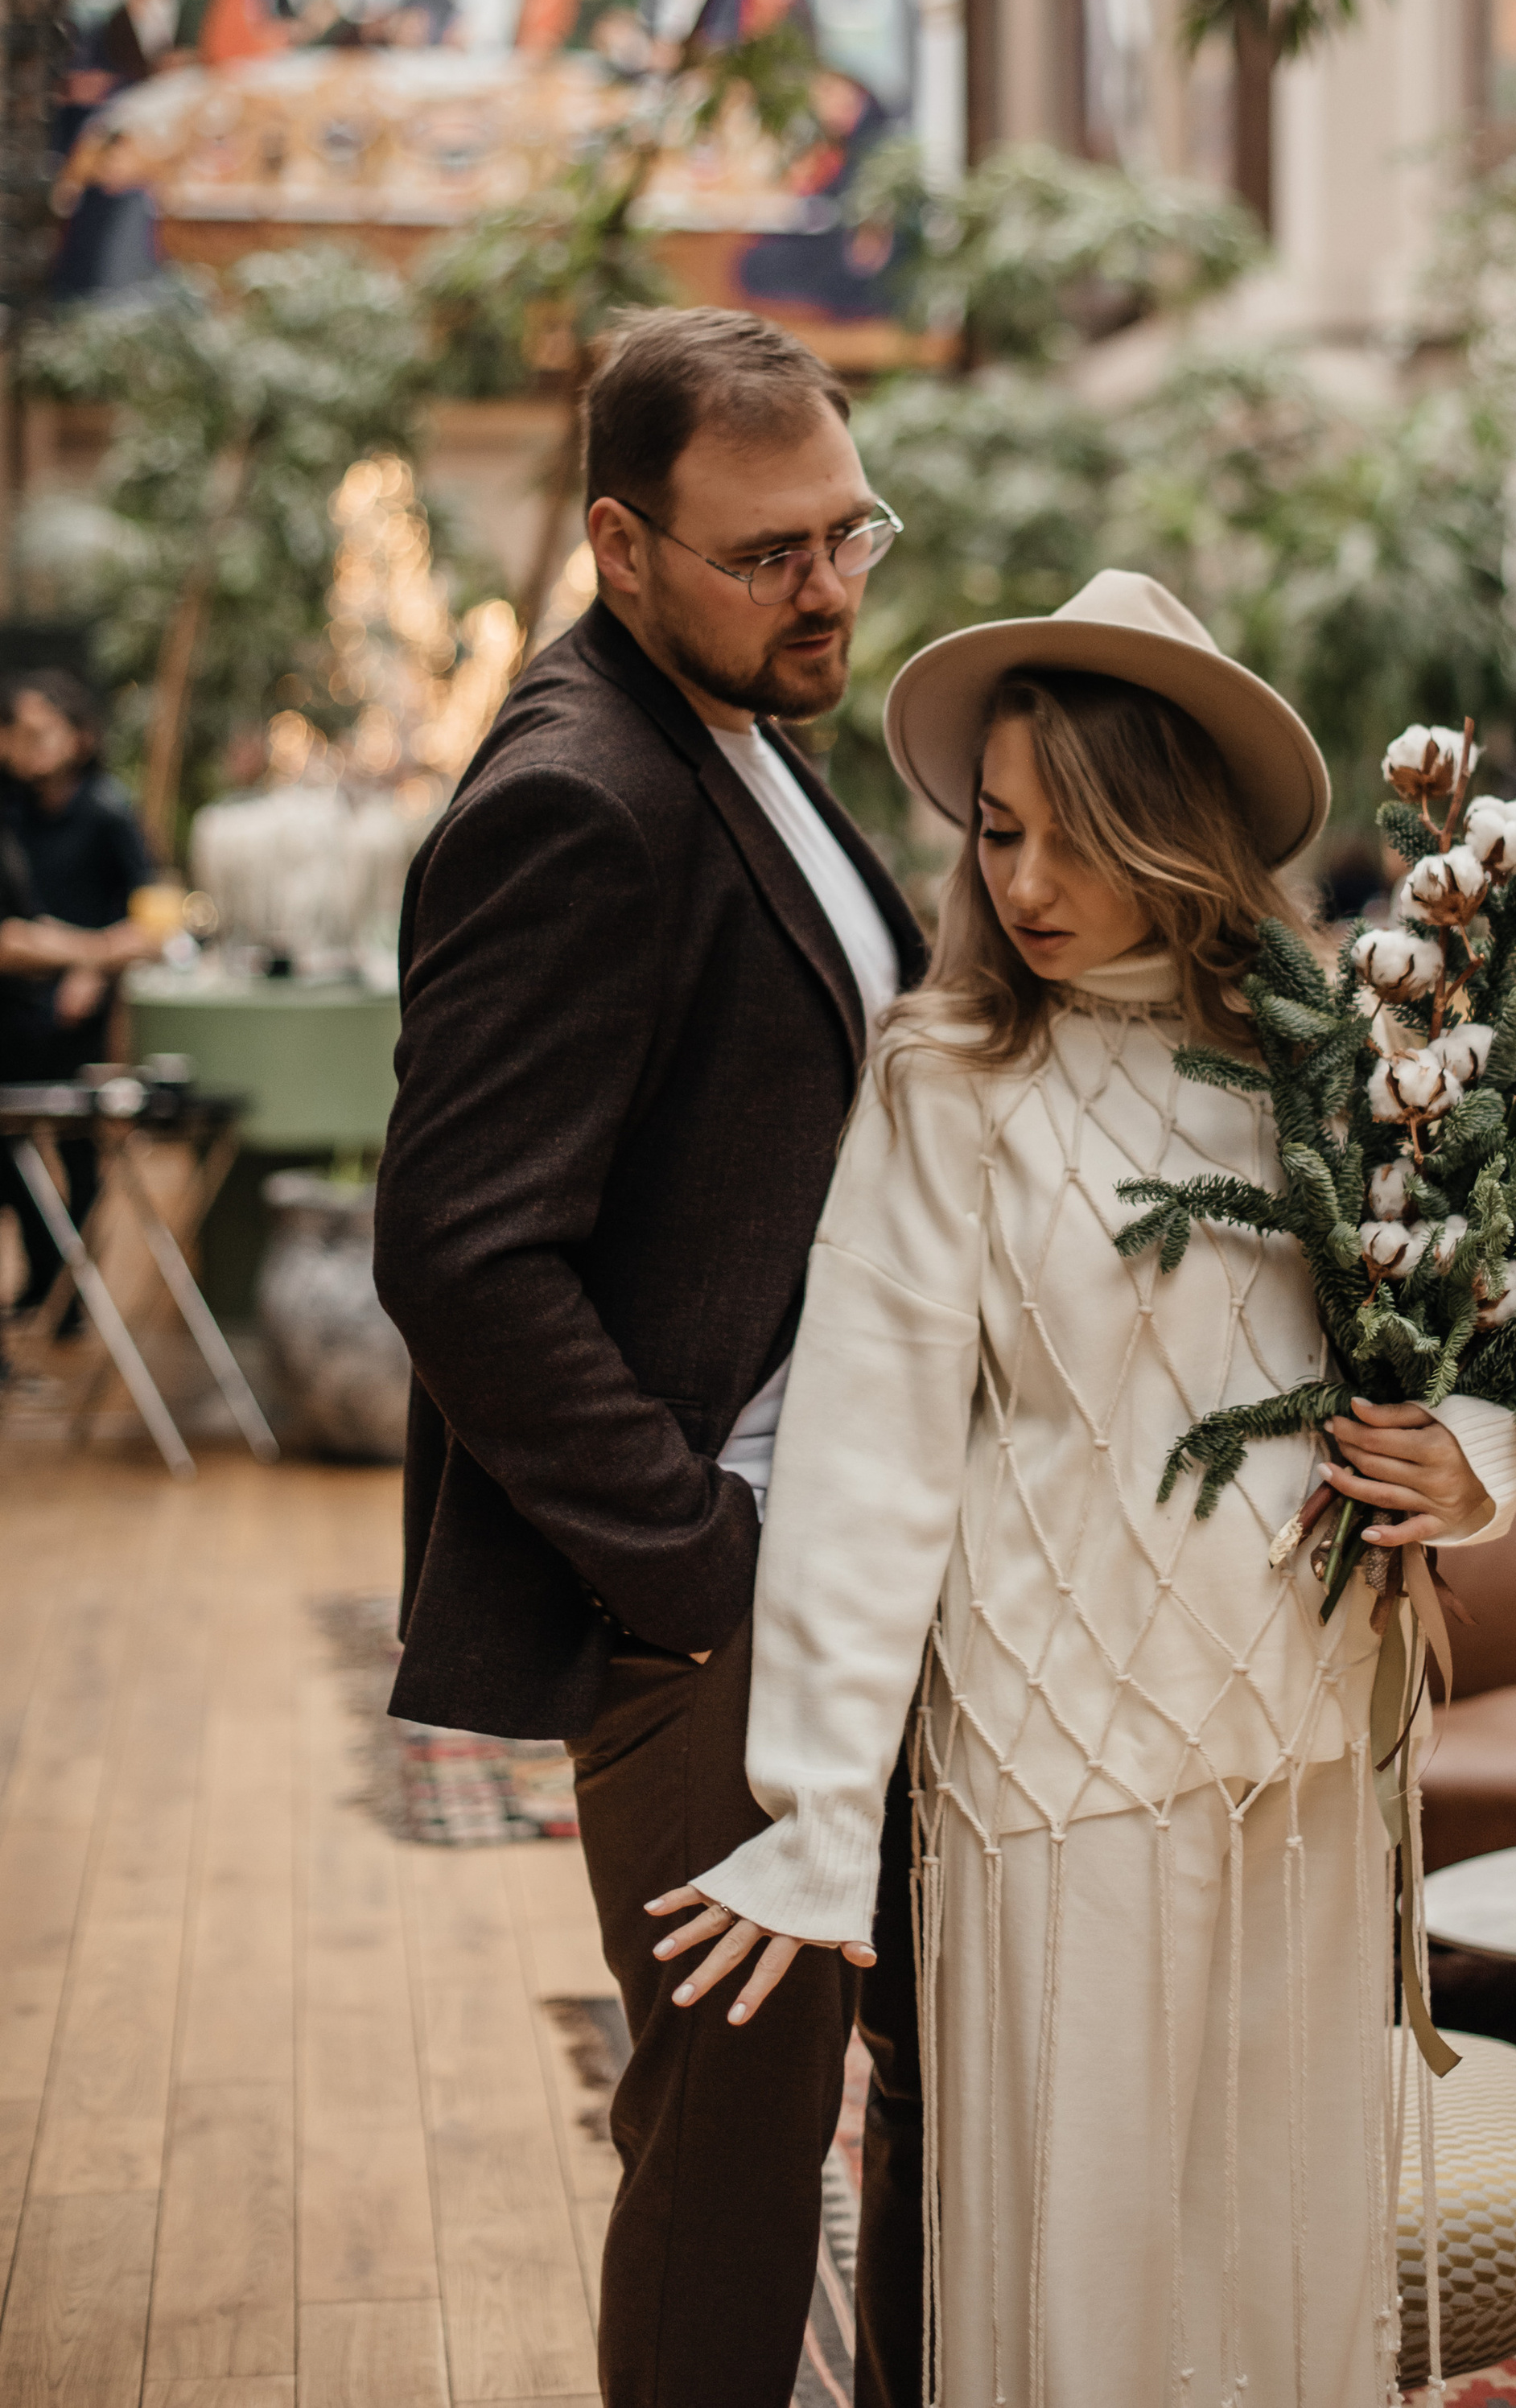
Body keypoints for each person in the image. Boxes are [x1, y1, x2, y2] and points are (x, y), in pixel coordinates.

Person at [665, 573, 1516, 2407]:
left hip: (1298, 1741)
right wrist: (816, 1801)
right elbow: (861, 1445)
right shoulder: (948, 1081)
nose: (1023, 882)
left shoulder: (1346, 1060)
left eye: (1076, 834)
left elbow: (1506, 1309)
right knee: (1077, 2259)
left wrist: (1473, 1454)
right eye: (995, 832)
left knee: (1270, 2234)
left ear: (1180, 830)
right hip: (1050, 1756)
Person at [371, 308, 929, 2408]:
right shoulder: (582, 798)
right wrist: (700, 1571)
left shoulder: (744, 726)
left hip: (840, 1565)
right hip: (724, 1621)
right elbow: (461, 1252)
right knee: (732, 2151)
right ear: (619, 543)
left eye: (848, 531)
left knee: (858, 2104)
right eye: (769, 551)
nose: (830, 589)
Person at [0, 675, 155, 1317]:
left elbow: (150, 916)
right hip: (15, 1010)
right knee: (13, 1149)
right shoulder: (11, 812)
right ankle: (45, 1278)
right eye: (18, 733)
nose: (26, 747)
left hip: (78, 1013)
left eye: (41, 732)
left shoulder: (107, 810)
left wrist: (91, 964)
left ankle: (71, 1297)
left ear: (80, 737)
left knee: (77, 1151)